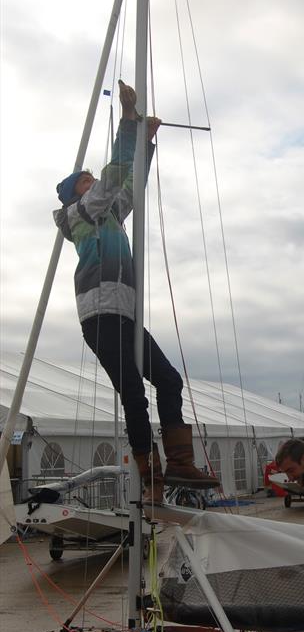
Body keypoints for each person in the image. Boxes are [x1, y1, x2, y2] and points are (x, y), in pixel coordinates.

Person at [54, 80, 219, 503]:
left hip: (125, 315)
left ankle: (179, 464)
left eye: (91, 181)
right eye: (85, 182)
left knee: (168, 379)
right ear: (76, 194)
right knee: (133, 394)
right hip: (100, 317)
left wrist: (146, 143)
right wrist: (129, 124)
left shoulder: (108, 215)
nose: (93, 185)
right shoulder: (78, 216)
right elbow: (112, 179)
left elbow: (130, 184)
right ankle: (152, 479)